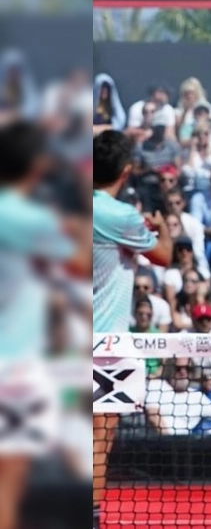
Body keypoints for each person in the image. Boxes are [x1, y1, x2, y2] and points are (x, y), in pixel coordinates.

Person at [92, 130, 173, 529]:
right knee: (95, 447)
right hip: (103, 347)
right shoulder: (119, 216)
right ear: (126, 171)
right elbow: (164, 256)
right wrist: (162, 225)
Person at [0, 123, 77, 529]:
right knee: (8, 483)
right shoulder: (35, 220)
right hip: (14, 368)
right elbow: (77, 261)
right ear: (35, 165)